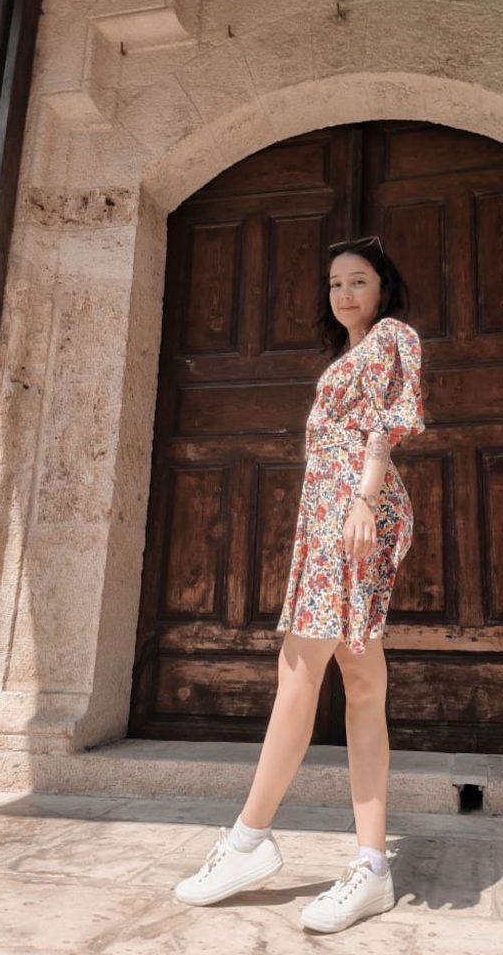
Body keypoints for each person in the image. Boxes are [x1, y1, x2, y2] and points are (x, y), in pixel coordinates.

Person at [174, 235, 425, 933]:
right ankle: (373, 865)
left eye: (359, 281)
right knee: (363, 682)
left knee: (299, 668)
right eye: (335, 283)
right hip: (329, 517)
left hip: (353, 514)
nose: (345, 293)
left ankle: (249, 840)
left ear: (384, 287)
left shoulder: (392, 338)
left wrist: (365, 502)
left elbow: (388, 424)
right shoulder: (346, 356)